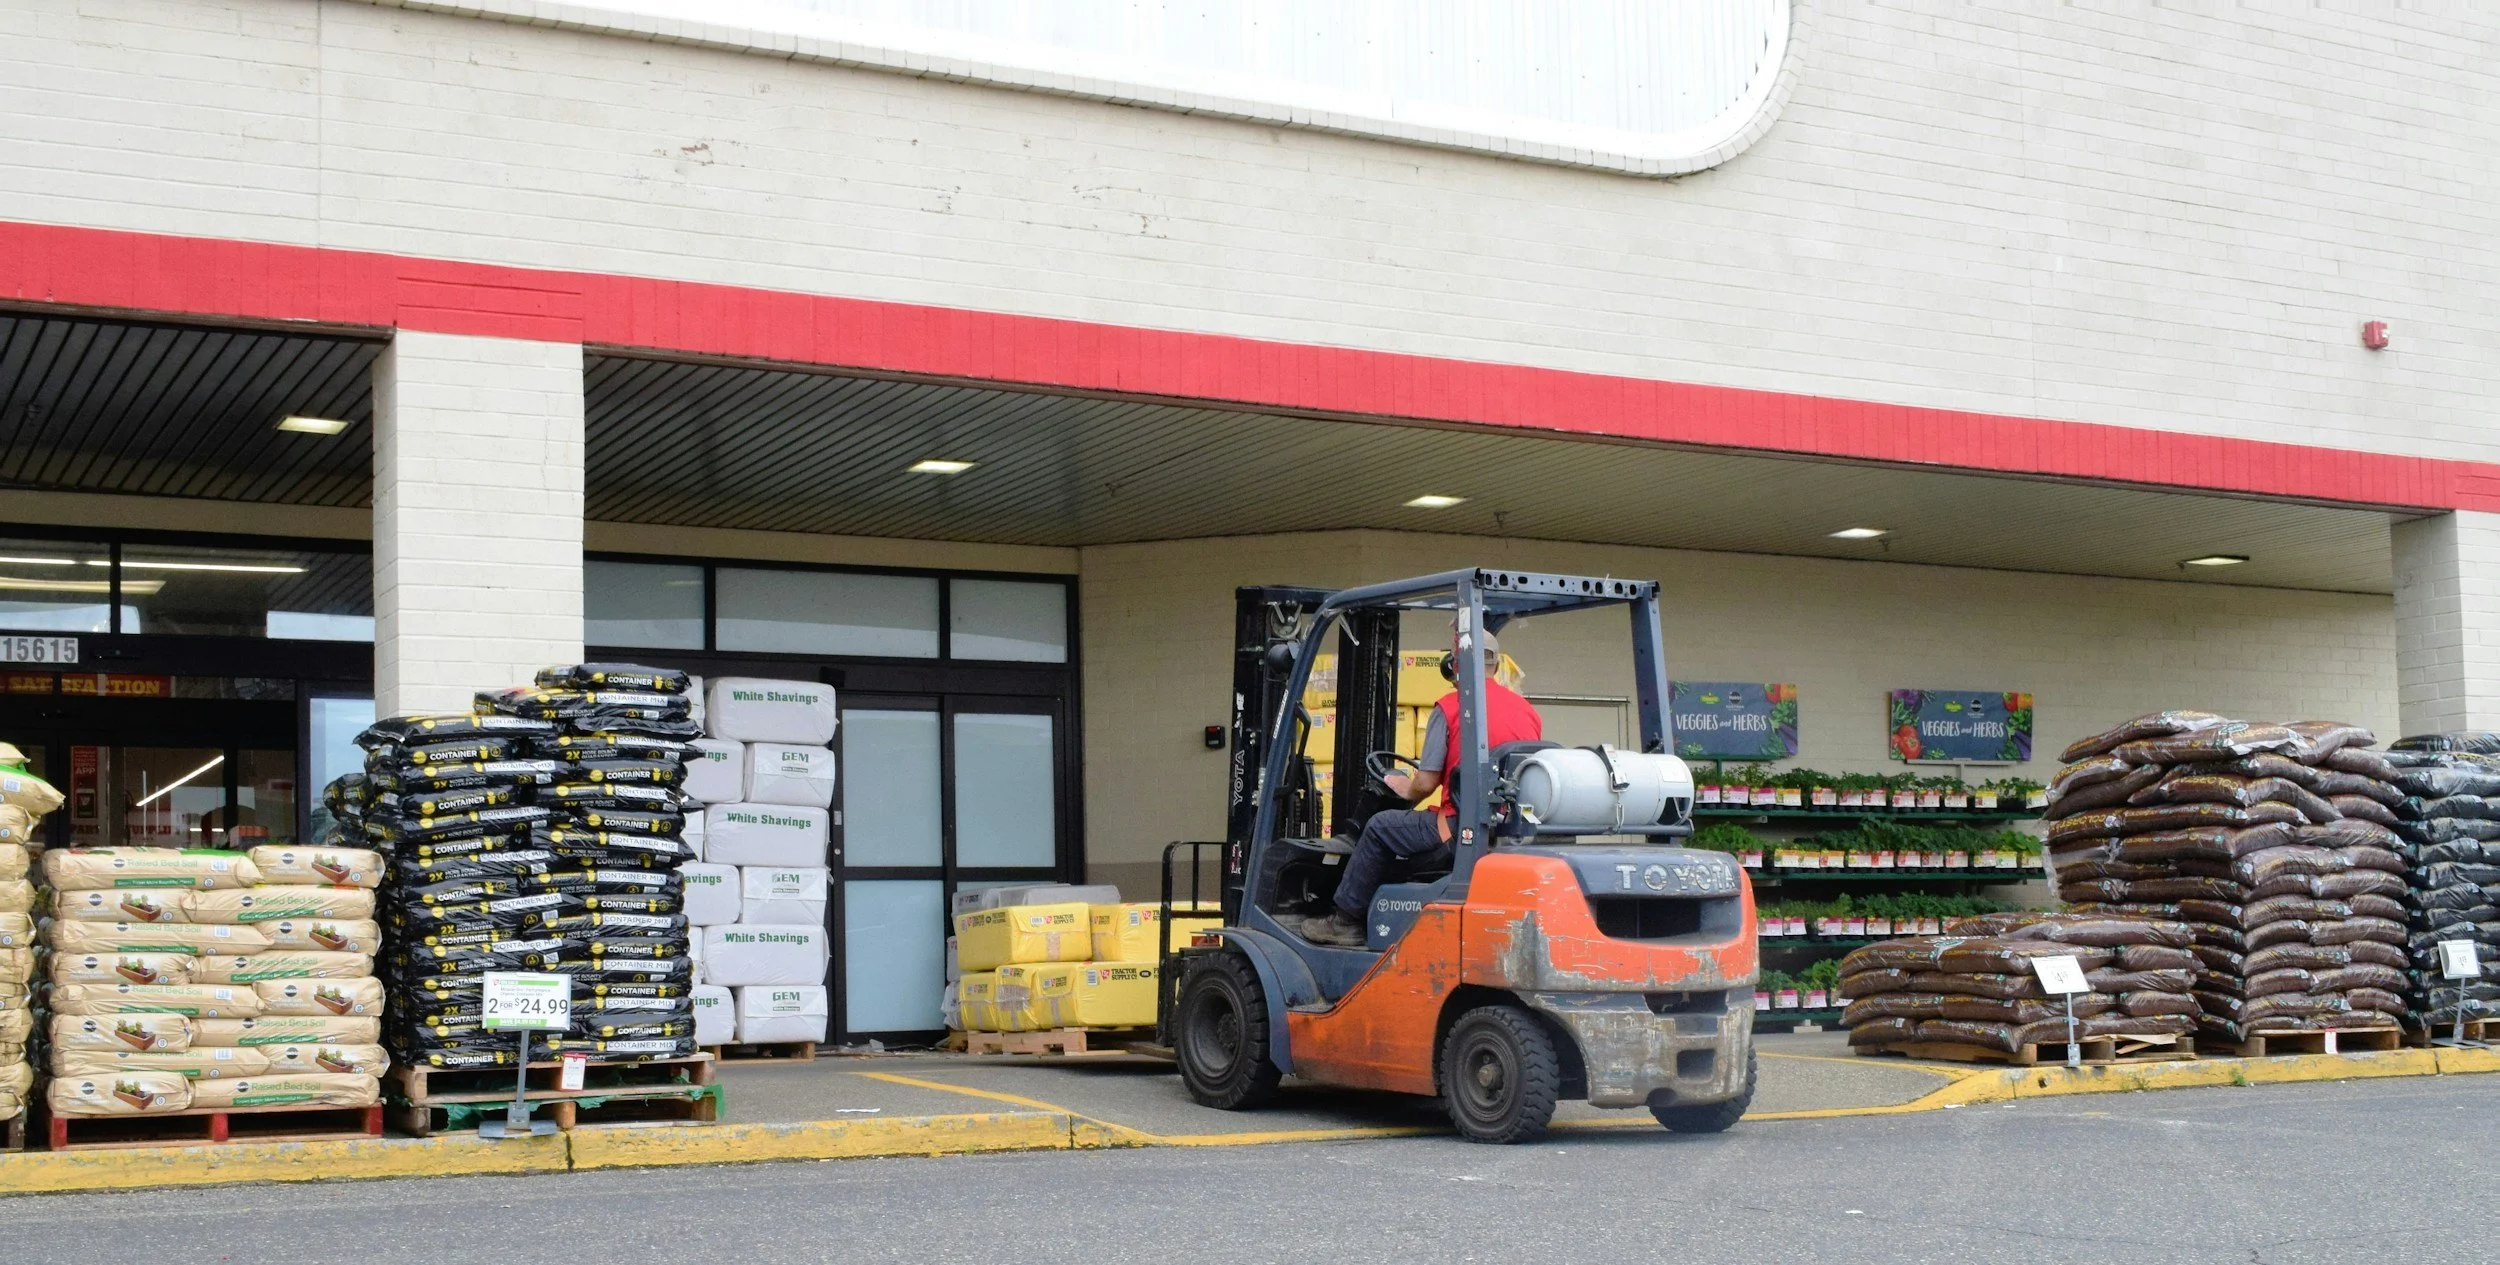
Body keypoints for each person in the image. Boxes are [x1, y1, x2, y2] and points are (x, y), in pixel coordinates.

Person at [1300, 629, 1542, 947]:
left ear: (1454, 666)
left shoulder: (1450, 707)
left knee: (1379, 827)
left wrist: (1401, 784)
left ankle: (1346, 920)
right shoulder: (1527, 710)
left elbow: (1425, 784)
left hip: (1459, 829)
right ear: (1495, 667)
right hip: (1506, 830)